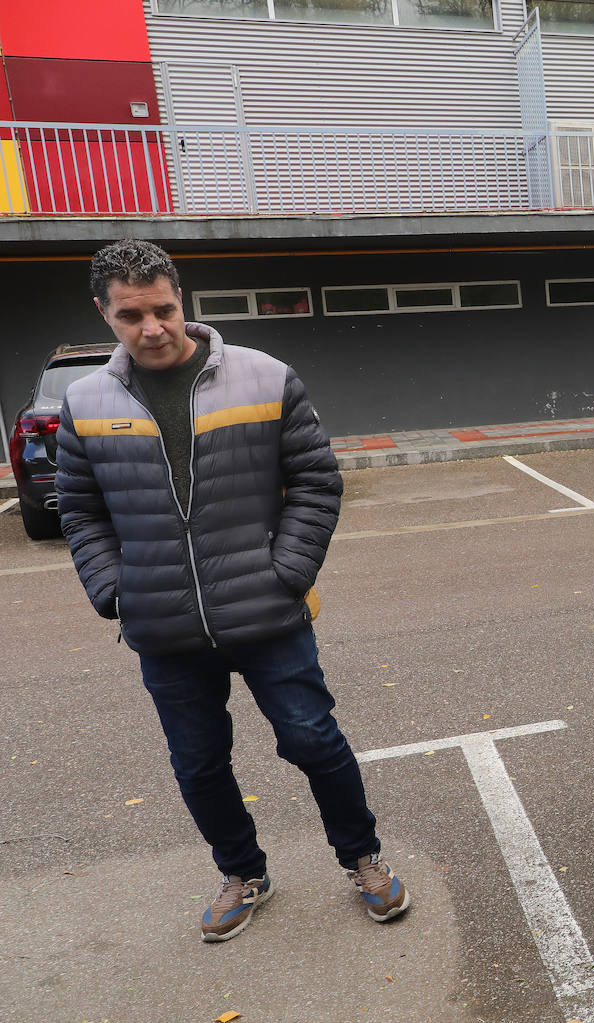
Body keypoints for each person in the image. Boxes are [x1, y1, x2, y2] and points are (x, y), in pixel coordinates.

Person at [56, 239, 410, 942]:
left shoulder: (264, 377)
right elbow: (80, 510)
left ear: (180, 299)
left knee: (313, 740)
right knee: (197, 763)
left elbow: (316, 481)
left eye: (163, 309)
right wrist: (114, 589)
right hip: (162, 625)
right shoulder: (85, 401)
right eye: (131, 316)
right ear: (104, 313)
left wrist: (288, 572)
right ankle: (243, 873)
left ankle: (362, 858)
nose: (152, 328)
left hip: (267, 611)